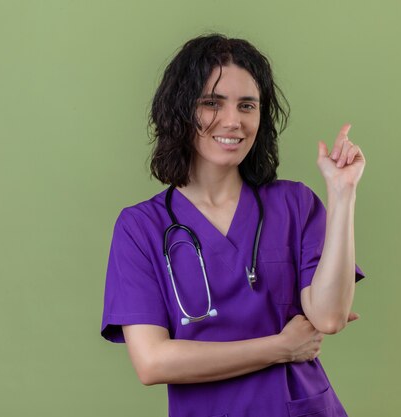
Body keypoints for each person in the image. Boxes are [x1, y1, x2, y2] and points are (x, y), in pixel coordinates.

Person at [100, 33, 366, 417]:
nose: (233, 121)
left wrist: (342, 194)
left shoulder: (294, 204)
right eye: (212, 103)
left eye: (247, 105)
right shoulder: (141, 227)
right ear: (180, 111)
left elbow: (328, 316)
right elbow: (153, 362)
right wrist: (281, 347)